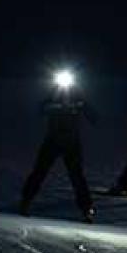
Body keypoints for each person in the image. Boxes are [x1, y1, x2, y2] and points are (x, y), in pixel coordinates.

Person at [19, 70, 98, 222]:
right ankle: (25, 201)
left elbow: (92, 114)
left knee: (77, 176)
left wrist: (81, 108)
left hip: (71, 142)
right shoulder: (53, 95)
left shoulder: (77, 96)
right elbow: (41, 108)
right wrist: (59, 106)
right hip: (53, 140)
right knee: (40, 171)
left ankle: (87, 208)